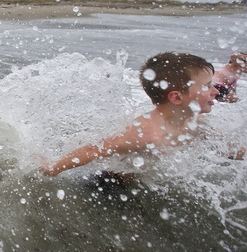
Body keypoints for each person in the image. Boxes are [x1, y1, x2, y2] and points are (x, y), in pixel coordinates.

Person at [41, 52, 221, 177]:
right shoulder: (147, 132)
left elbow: (223, 145)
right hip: (111, 183)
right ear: (176, 97)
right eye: (207, 86)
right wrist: (53, 168)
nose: (216, 91)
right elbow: (97, 148)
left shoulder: (198, 122)